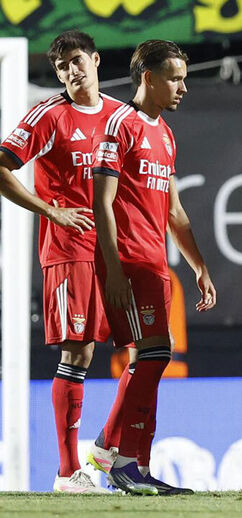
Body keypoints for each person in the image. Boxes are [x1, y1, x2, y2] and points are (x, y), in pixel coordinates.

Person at [90, 39, 216, 495]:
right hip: (129, 261)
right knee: (155, 354)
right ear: (148, 77)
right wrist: (114, 269)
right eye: (175, 78)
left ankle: (119, 455)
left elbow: (174, 211)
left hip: (155, 261)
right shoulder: (119, 126)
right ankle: (123, 461)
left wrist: (199, 265)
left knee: (152, 357)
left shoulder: (165, 133)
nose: (183, 87)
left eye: (184, 78)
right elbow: (101, 204)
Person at [0, 30, 118, 494]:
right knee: (77, 351)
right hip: (68, 251)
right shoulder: (49, 115)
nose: (71, 71)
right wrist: (50, 211)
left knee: (142, 347)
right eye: (61, 66)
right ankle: (69, 472)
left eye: (76, 61)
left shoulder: (117, 115)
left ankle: (109, 451)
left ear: (95, 58)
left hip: (113, 250)